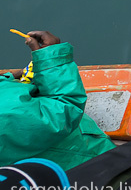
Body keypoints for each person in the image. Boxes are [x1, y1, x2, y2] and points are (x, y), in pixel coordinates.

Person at [0, 31, 115, 168]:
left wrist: (10, 78)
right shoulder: (5, 115)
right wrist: (50, 57)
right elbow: (66, 110)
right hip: (92, 163)